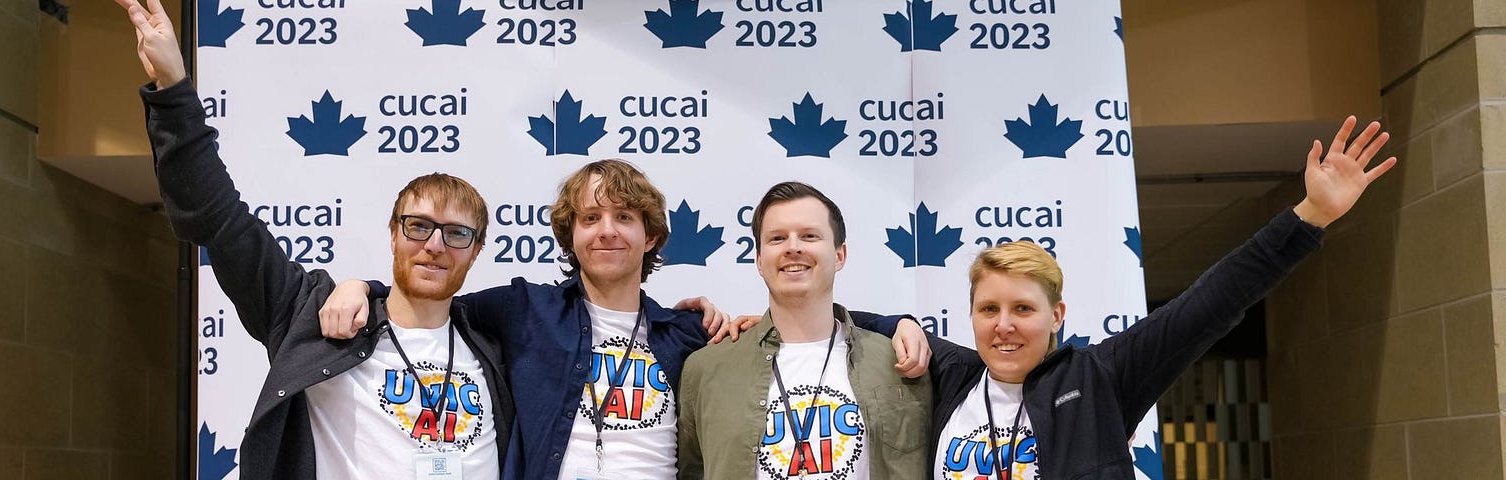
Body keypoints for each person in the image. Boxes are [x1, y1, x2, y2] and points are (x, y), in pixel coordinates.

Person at [851, 116, 1396, 479]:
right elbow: (850, 326)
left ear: (1056, 316)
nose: (1004, 325)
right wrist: (782, 323)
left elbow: (1209, 305)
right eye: (989, 309)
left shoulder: (1101, 377)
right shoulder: (953, 374)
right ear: (971, 315)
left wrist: (1312, 215)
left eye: (1023, 309)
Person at [115, 0, 516, 478]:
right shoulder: (311, 318)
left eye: (456, 234)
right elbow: (220, 220)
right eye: (418, 226)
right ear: (393, 234)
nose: (434, 245)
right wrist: (174, 90)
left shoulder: (499, 344)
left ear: (476, 250)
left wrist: (365, 285)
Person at [325, 160, 750, 479]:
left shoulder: (686, 333)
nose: (606, 231)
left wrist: (751, 335)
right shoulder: (526, 310)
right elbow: (432, 295)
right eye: (590, 218)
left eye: (624, 217)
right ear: (571, 236)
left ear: (651, 236)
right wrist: (361, 287)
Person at [676, 182, 934, 479]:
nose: (793, 247)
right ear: (759, 260)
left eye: (809, 236)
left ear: (840, 255)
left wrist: (903, 322)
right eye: (777, 238)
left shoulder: (900, 360)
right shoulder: (706, 369)